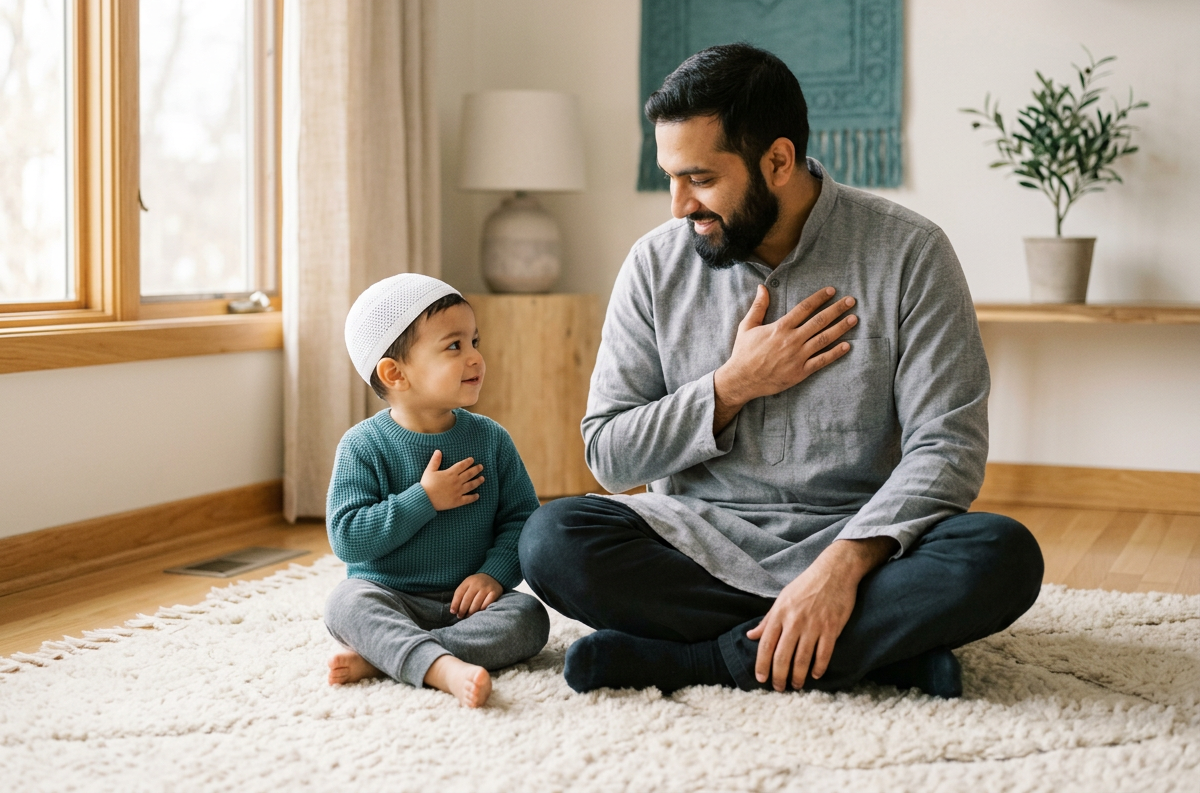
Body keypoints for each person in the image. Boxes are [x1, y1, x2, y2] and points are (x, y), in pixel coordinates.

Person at [518, 43, 1044, 699]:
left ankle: (700, 663)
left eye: (701, 179)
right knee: (551, 539)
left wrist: (840, 569)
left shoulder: (910, 252)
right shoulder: (654, 265)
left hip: (861, 539)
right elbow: (609, 455)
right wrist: (732, 386)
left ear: (778, 160)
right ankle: (874, 655)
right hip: (699, 539)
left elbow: (949, 448)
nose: (679, 205)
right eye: (671, 177)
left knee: (1001, 556)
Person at [324, 273, 549, 708]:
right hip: (390, 597)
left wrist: (493, 575)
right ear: (395, 373)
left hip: (466, 606)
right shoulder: (362, 446)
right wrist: (423, 499)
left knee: (529, 618)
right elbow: (348, 538)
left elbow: (522, 519)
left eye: (474, 342)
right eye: (454, 346)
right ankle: (439, 664)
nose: (476, 358)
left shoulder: (491, 439)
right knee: (345, 604)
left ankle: (390, 655)